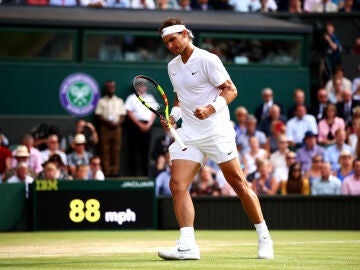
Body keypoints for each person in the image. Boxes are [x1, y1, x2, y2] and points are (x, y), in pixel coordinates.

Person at [157, 18, 274, 261]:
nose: (171, 45)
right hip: (189, 133)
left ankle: (264, 237)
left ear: (185, 34)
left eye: (173, 39)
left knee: (239, 184)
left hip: (216, 131)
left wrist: (210, 108)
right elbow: (180, 99)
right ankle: (188, 246)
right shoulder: (172, 66)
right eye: (166, 42)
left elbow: (230, 89)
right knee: (177, 185)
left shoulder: (208, 59)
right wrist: (173, 116)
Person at [124, 81, 156, 177]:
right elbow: (129, 112)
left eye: (143, 86)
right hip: (135, 126)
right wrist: (139, 124)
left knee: (145, 150)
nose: (142, 87)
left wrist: (149, 124)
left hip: (148, 126)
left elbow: (154, 112)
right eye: (139, 86)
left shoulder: (150, 98)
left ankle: (145, 174)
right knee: (134, 150)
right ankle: (134, 175)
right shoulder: (131, 98)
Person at [95, 80, 126, 177]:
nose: (110, 88)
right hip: (105, 128)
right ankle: (106, 172)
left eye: (112, 87)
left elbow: (122, 115)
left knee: (115, 150)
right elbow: (98, 114)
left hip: (117, 128)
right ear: (106, 89)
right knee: (105, 150)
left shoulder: (119, 101)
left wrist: (117, 123)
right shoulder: (101, 101)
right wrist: (108, 122)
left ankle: (114, 172)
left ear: (114, 88)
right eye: (108, 87)